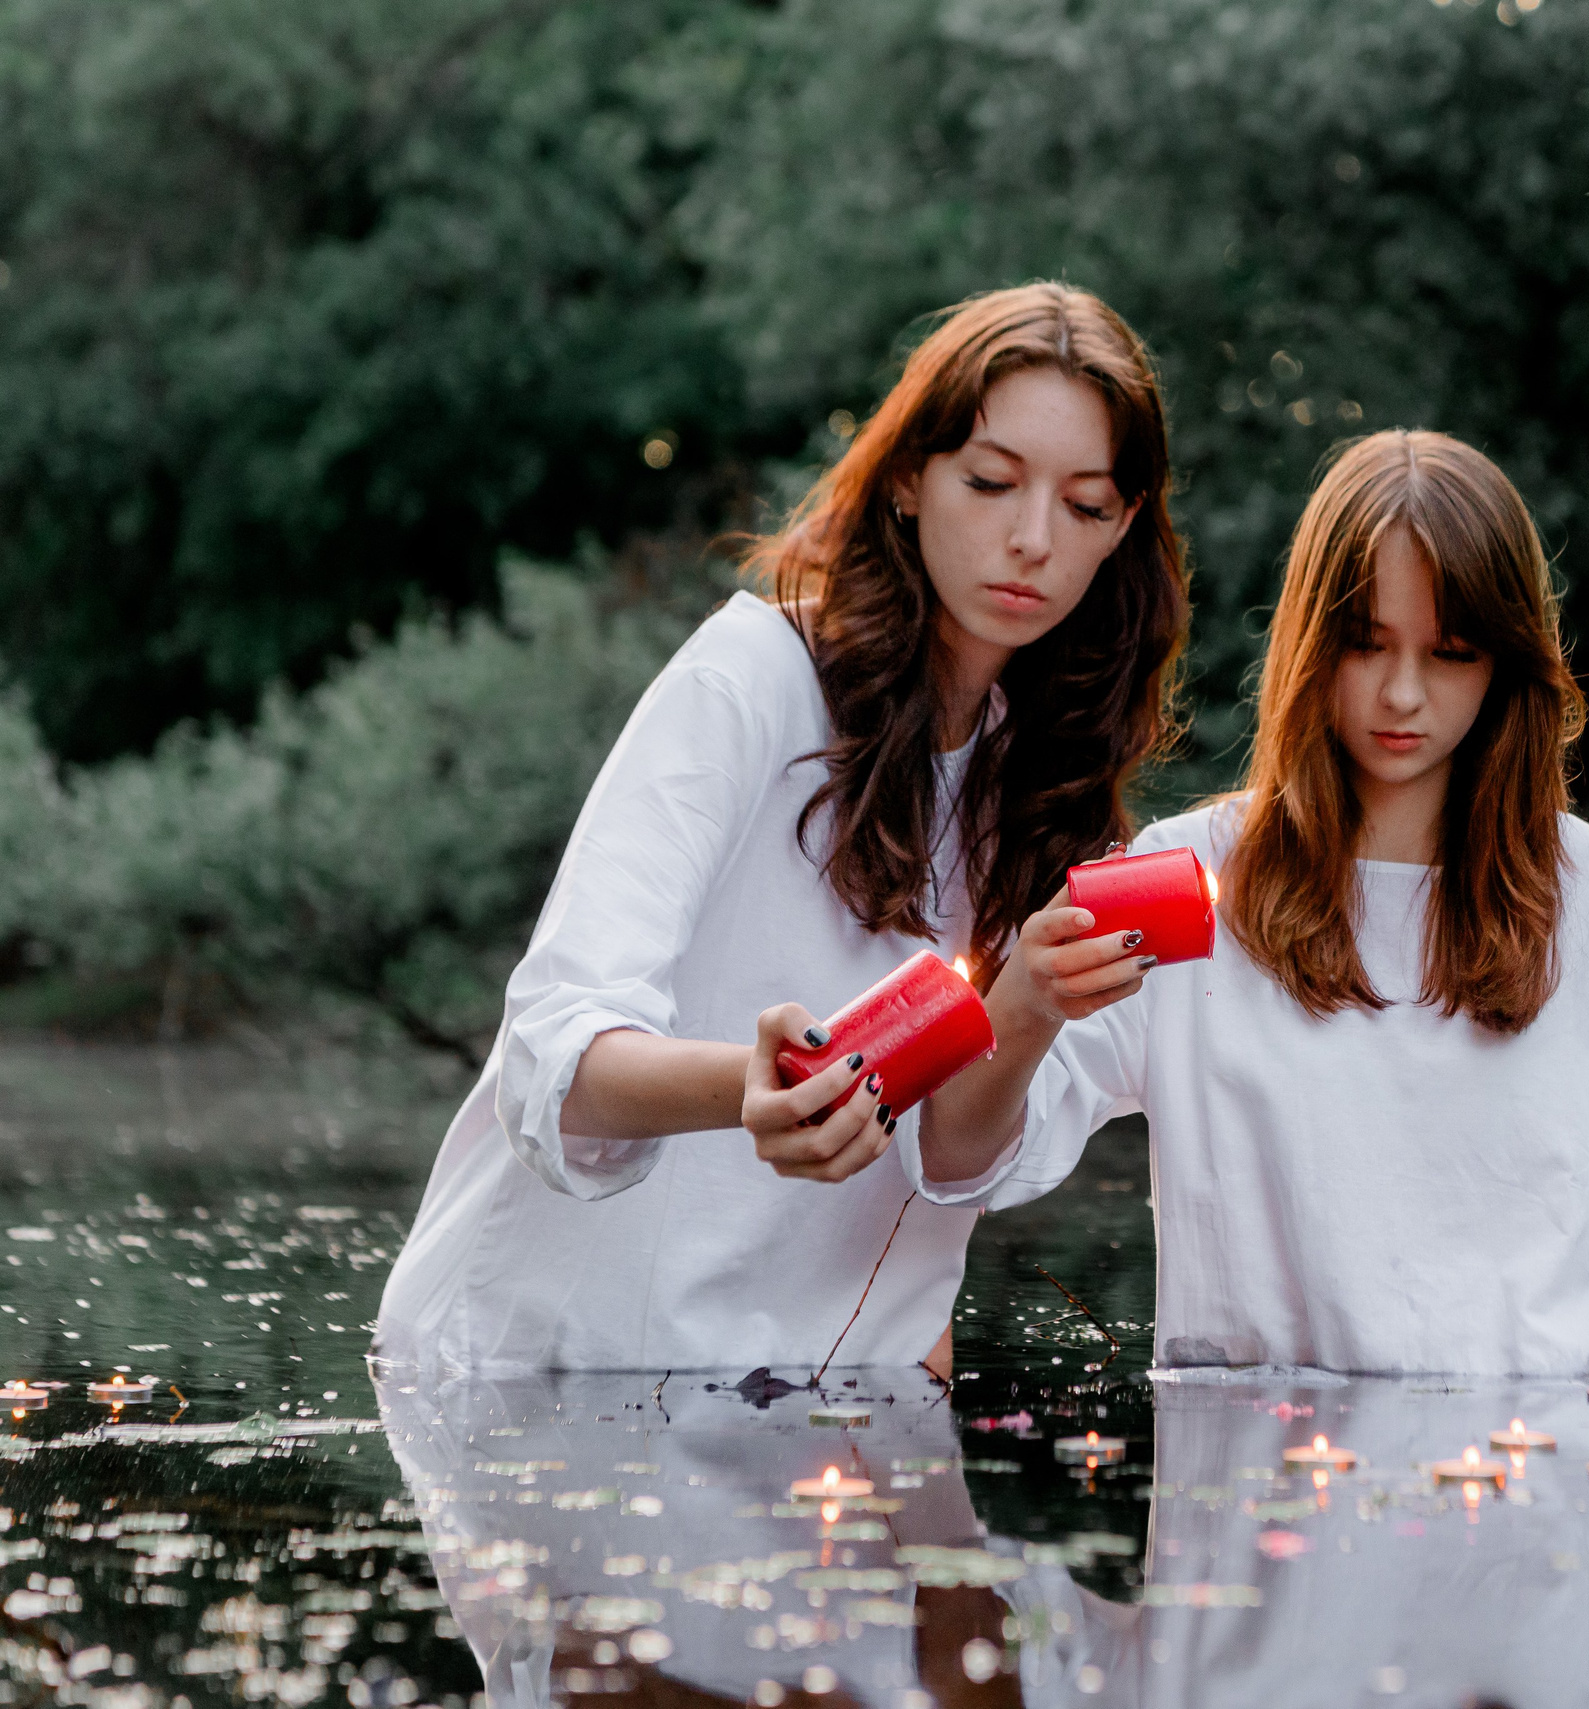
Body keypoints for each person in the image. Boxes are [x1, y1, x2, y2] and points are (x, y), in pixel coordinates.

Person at [910, 430, 1589, 1389]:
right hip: (1254, 1488)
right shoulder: (1184, 879)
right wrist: (1025, 1003)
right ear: (1310, 644)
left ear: (1506, 661)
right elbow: (965, 1160)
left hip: (1524, 1477)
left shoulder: (1579, 885)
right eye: (1367, 643)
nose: (1403, 694)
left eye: (1449, 651)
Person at [375, 283, 1189, 1377]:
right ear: (908, 477)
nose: (1032, 539)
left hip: (813, 1401)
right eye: (991, 482)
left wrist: (1029, 1002)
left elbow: (955, 1156)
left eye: (1085, 506)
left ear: (1123, 527)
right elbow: (555, 1052)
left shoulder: (1048, 783)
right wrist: (752, 1085)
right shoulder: (752, 676)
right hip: (550, 1373)